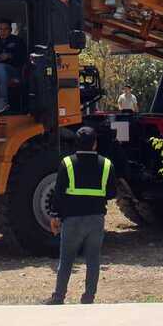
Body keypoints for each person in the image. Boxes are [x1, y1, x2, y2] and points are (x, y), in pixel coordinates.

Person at [44, 126, 117, 305]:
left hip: (72, 220)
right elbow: (111, 193)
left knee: (66, 260)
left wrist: (55, 216)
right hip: (96, 219)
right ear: (95, 144)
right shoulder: (106, 164)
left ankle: (59, 297)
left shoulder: (67, 163)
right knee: (93, 259)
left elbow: (59, 193)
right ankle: (88, 297)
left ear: (77, 143)